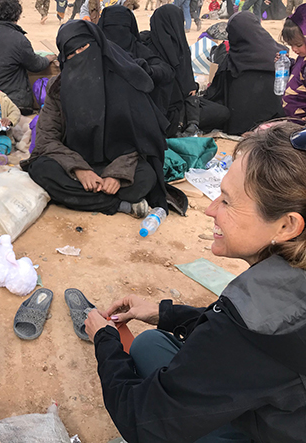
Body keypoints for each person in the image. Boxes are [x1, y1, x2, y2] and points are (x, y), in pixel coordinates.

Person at [85, 122, 306, 443]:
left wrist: (105, 341)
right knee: (149, 344)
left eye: (227, 201)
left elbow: (141, 421)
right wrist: (163, 314)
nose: (209, 208)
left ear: (287, 225)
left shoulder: (261, 318)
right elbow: (241, 331)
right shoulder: (283, 291)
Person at [20, 20, 169, 218]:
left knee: (146, 177)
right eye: (71, 54)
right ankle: (120, 205)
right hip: (73, 161)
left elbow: (140, 139)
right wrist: (79, 170)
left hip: (115, 161)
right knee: (40, 169)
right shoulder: (58, 88)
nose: (78, 56)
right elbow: (46, 138)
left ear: (98, 45)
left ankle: (85, 198)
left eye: (83, 48)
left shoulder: (123, 81)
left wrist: (117, 174)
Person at [141, 5, 229, 136]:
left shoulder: (145, 45)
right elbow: (184, 88)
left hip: (168, 106)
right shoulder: (161, 48)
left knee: (218, 110)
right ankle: (186, 124)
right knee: (220, 112)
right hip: (169, 109)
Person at [205, 12, 286, 135]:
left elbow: (215, 92)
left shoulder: (231, 61)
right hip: (273, 120)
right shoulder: (279, 54)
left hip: (238, 125)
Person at [0, 0, 57, 115]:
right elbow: (35, 65)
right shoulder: (19, 39)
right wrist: (48, 59)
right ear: (16, 14)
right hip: (16, 103)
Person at [98, 5, 175, 115]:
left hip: (136, 114)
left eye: (123, 27)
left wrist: (147, 70)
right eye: (111, 27)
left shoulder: (137, 48)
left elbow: (166, 70)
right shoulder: (95, 50)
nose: (118, 32)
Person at [280, 3, 306, 120]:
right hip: (294, 120)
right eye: (291, 45)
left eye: (298, 45)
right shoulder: (302, 56)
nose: (294, 49)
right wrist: (288, 64)